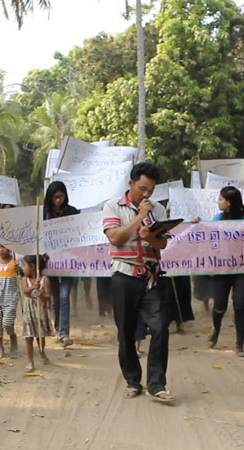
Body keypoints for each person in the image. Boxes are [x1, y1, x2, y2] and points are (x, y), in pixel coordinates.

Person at [102, 162, 174, 403]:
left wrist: (151, 237)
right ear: (131, 183)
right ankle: (133, 381)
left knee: (161, 327)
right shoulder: (113, 206)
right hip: (124, 275)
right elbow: (115, 238)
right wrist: (139, 220)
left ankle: (157, 384)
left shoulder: (159, 210)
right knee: (126, 331)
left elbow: (162, 244)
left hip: (152, 277)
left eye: (151, 190)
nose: (146, 194)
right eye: (142, 188)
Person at [208, 186, 244, 357]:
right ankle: (216, 329)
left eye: (220, 199)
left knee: (239, 304)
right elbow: (207, 238)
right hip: (222, 267)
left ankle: (240, 344)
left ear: (229, 203)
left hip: (242, 268)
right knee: (219, 306)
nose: (218, 202)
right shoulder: (217, 219)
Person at [43, 181, 80, 347]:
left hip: (69, 261)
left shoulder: (72, 212)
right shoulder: (45, 214)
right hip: (50, 262)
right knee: (55, 297)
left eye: (60, 196)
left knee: (65, 296)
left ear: (65, 196)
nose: (57, 200)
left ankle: (64, 332)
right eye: (54, 197)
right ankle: (57, 327)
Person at [20, 254, 53, 371]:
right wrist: (33, 287)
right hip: (29, 312)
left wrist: (42, 295)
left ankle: (42, 351)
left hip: (40, 311)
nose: (22, 268)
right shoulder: (25, 280)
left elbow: (49, 297)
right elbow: (25, 290)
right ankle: (30, 361)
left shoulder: (45, 280)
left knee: (40, 336)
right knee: (28, 337)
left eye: (24, 265)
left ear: (33, 267)